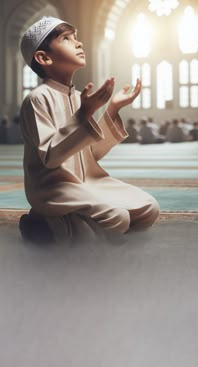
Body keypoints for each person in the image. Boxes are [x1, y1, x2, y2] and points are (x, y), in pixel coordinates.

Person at [19, 16, 160, 244]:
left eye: (76, 38)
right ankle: (43, 222)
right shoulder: (37, 99)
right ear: (43, 57)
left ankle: (74, 223)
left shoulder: (78, 97)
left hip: (87, 183)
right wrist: (84, 115)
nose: (78, 43)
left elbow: (90, 155)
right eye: (66, 39)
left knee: (148, 209)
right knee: (119, 218)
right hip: (53, 188)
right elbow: (51, 157)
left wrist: (113, 108)